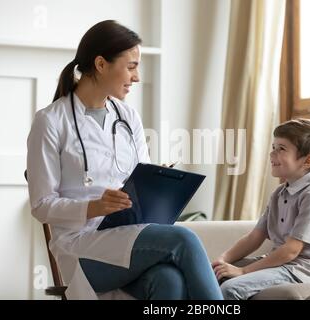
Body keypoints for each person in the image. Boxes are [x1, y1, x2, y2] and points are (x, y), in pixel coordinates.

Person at [26, 20, 223, 300]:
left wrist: (156, 185)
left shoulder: (128, 117)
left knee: (168, 281)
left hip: (127, 234)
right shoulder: (50, 121)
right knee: (184, 239)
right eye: (131, 66)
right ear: (101, 64)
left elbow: (139, 174)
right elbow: (41, 206)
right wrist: (94, 206)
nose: (137, 77)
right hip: (81, 247)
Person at [212, 118, 310, 300]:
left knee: (231, 288)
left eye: (281, 149)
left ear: (308, 161)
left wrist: (242, 271)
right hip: (280, 264)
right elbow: (254, 237)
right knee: (211, 273)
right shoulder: (279, 193)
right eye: (273, 147)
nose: (272, 154)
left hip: (300, 271)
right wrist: (222, 260)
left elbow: (291, 251)